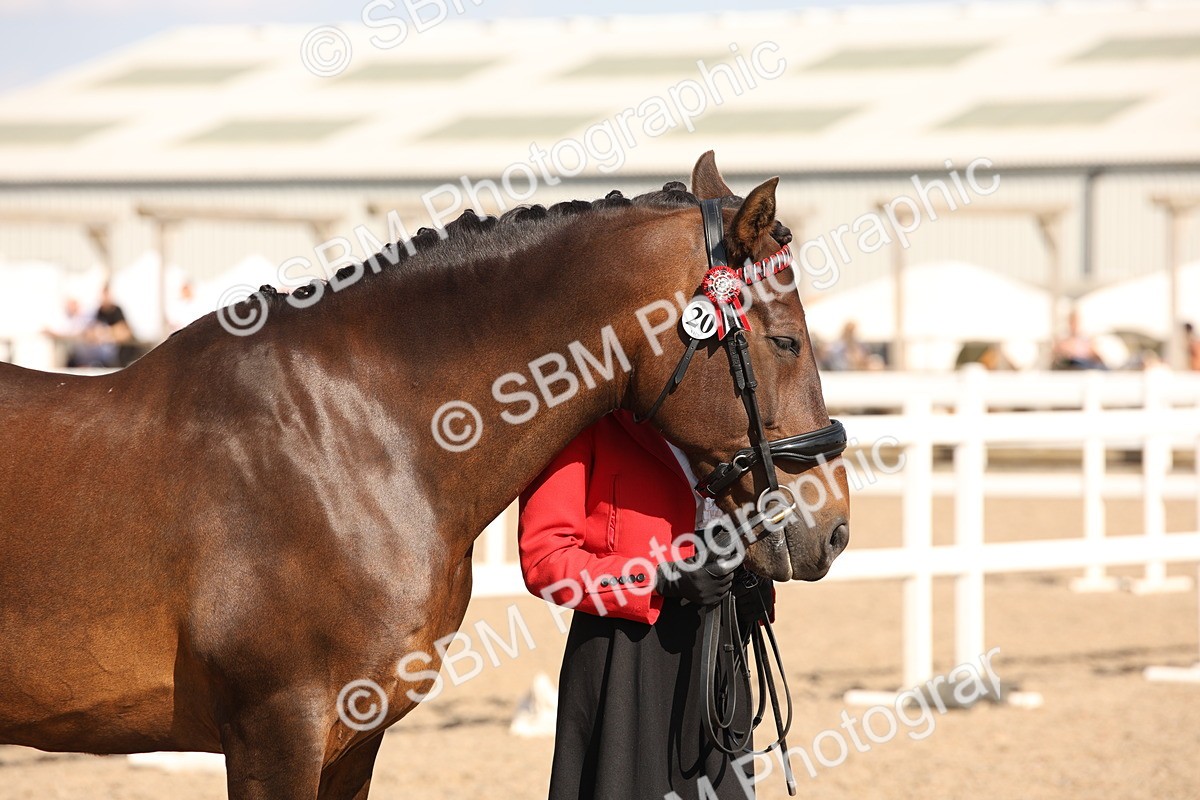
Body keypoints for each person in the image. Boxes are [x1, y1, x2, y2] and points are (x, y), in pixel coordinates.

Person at [519, 410, 772, 800]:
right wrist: (656, 578)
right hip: (623, 648)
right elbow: (545, 562)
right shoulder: (581, 421)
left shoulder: (730, 418)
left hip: (721, 640)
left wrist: (755, 573)